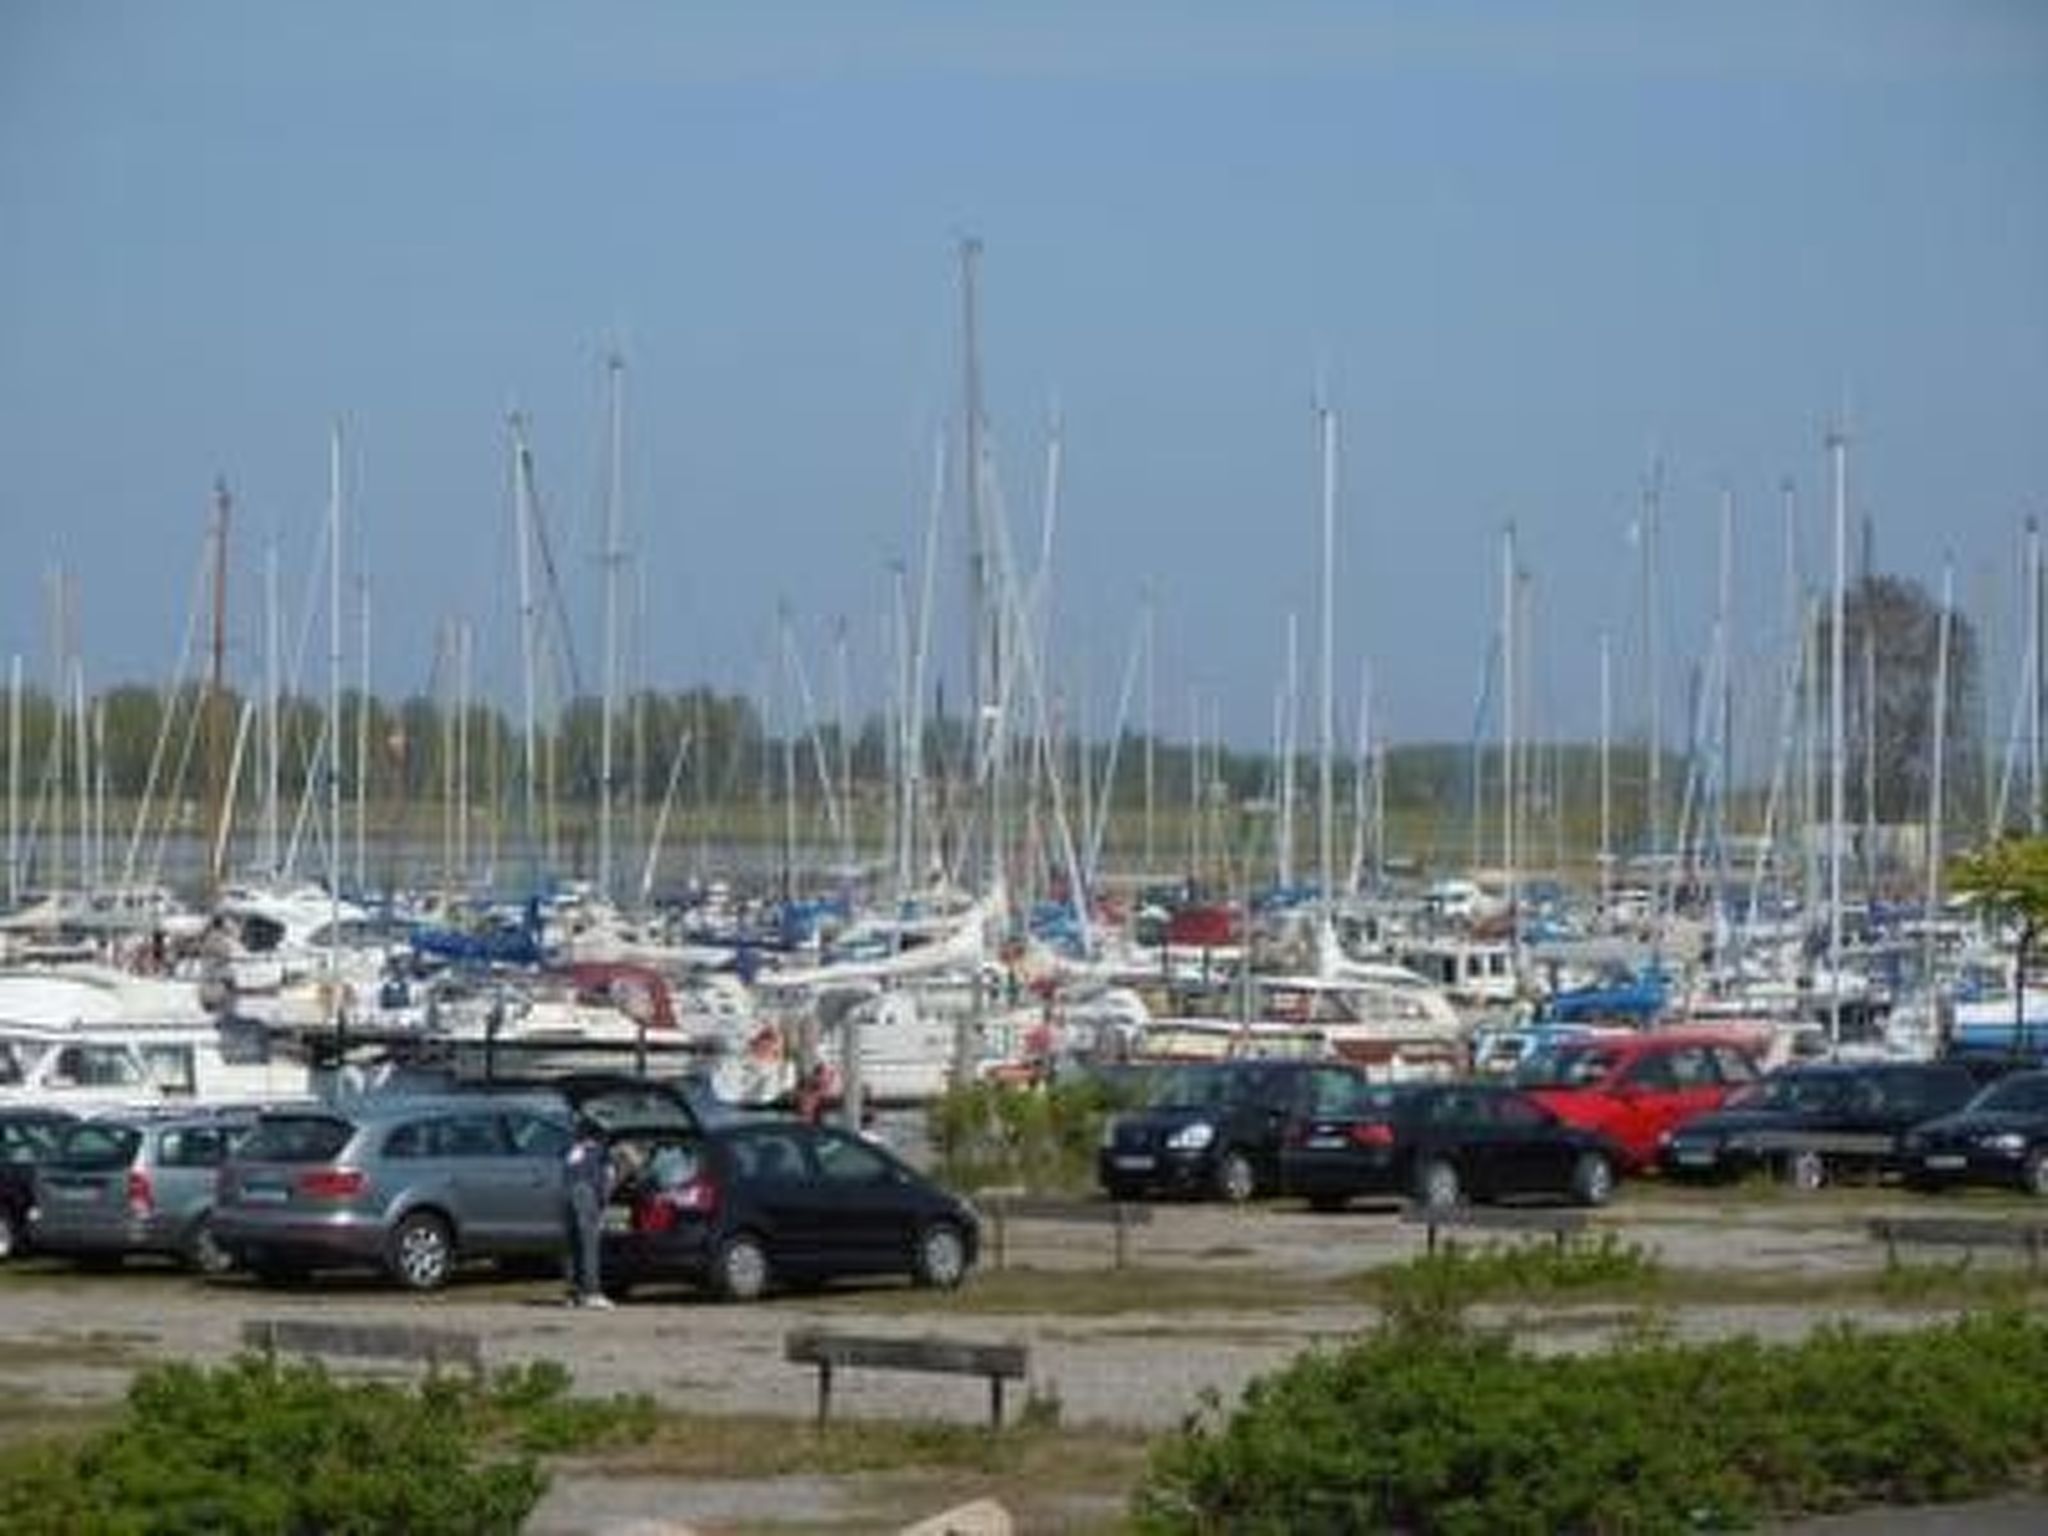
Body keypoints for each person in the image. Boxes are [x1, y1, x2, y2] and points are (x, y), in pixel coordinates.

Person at [562, 1118, 613, 1309]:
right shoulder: (601, 1153)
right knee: (589, 1245)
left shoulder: (572, 1150)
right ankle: (592, 1293)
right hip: (587, 1193)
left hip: (567, 1194)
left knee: (573, 1245)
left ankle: (573, 1294)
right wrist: (603, 1206)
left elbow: (567, 1171)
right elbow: (605, 1182)